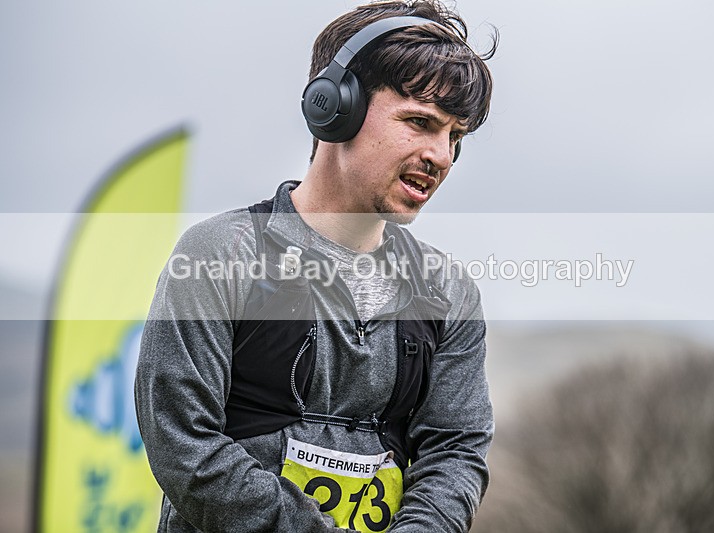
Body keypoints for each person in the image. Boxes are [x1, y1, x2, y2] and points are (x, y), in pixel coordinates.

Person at [135, 1, 497, 531]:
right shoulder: (218, 255)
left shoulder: (449, 293)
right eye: (421, 122)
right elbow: (183, 441)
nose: (441, 155)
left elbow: (456, 453)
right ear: (335, 108)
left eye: (455, 137)